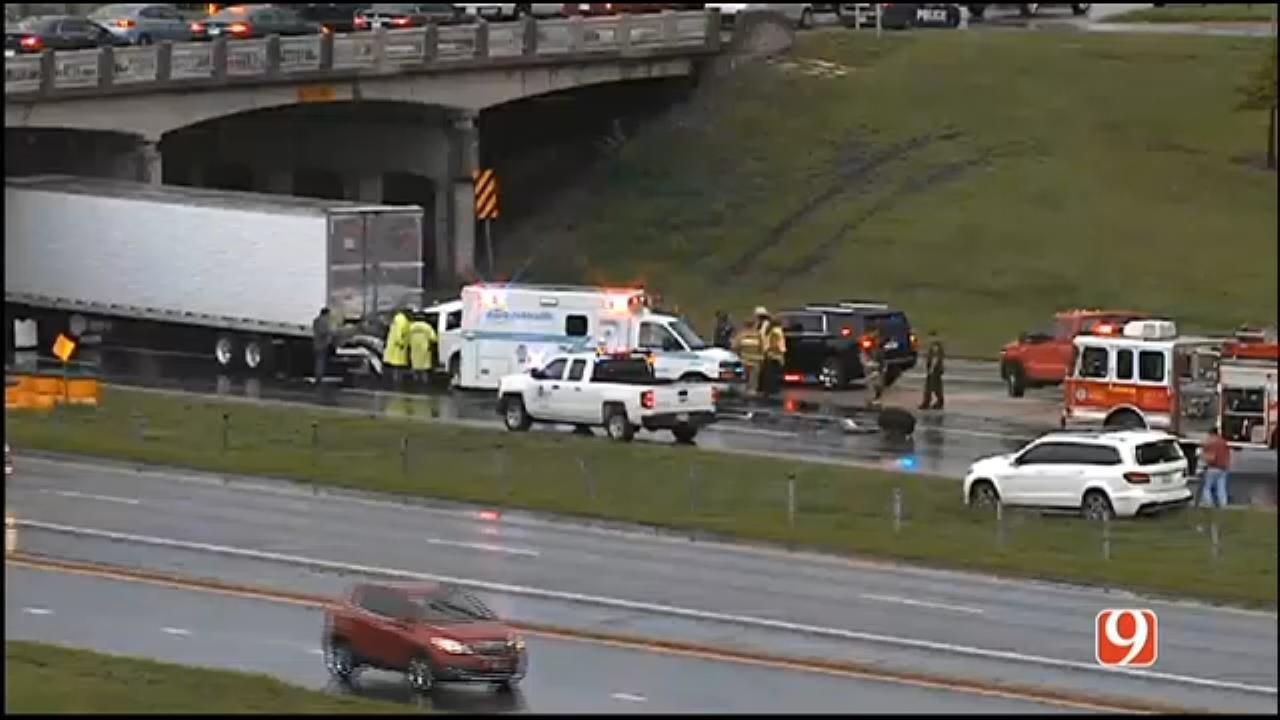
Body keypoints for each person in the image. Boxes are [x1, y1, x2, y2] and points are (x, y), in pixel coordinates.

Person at [1199, 427, 1232, 509]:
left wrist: (1202, 457)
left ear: (1211, 434)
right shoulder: (1223, 442)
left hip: (1213, 468)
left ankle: (1209, 504)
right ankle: (1223, 505)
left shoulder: (1210, 443)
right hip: (1223, 468)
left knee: (1207, 488)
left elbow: (1211, 458)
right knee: (1221, 488)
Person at [760, 308, 787, 398]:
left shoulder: (771, 330)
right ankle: (771, 390)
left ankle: (768, 389)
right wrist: (777, 351)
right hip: (775, 354)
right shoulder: (776, 331)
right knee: (773, 373)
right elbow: (775, 343)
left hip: (771, 354)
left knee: (770, 372)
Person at [733, 318, 764, 396]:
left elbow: (735, 347)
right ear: (754, 325)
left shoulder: (741, 335)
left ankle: (745, 391)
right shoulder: (758, 335)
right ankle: (752, 392)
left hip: (744, 360)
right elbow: (762, 347)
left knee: (745, 378)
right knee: (753, 379)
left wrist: (738, 355)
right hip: (755, 361)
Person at [382, 307, 411, 387]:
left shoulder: (396, 319)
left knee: (395, 366)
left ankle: (394, 381)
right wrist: (401, 343)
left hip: (393, 345)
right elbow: (399, 333)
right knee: (398, 366)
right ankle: (397, 383)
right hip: (398, 347)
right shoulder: (402, 320)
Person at [407, 312, 438, 386]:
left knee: (415, 367)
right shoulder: (427, 327)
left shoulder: (411, 327)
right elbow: (433, 338)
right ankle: (425, 384)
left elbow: (407, 339)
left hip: (414, 349)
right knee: (424, 368)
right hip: (424, 349)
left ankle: (415, 383)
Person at [919, 330, 945, 411]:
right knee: (937, 386)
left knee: (929, 387)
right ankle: (939, 402)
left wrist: (931, 369)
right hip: (937, 369)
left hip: (934, 370)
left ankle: (927, 402)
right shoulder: (937, 346)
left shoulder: (935, 347)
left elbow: (935, 359)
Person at [311, 307, 332, 384]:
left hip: (316, 343)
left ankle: (318, 376)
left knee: (318, 361)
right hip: (322, 344)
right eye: (328, 314)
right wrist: (330, 332)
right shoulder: (324, 321)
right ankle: (318, 378)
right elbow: (323, 332)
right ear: (326, 314)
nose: (329, 316)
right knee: (320, 361)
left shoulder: (316, 320)